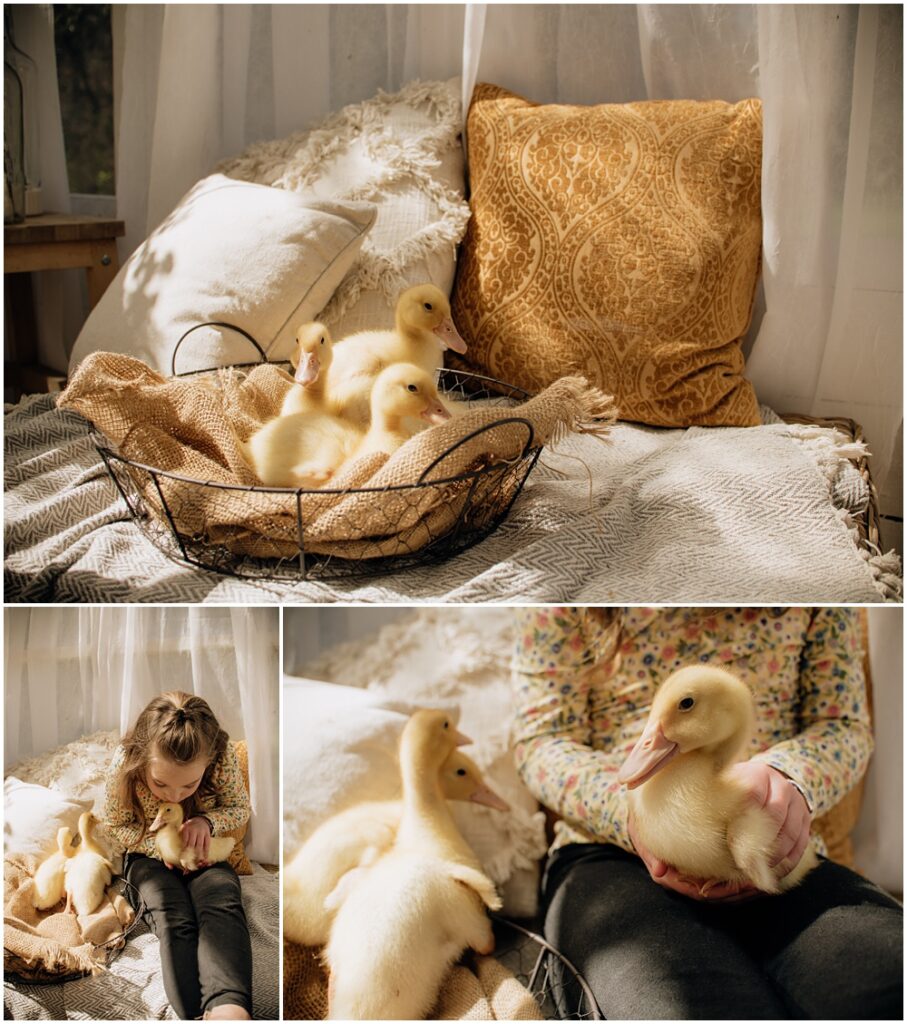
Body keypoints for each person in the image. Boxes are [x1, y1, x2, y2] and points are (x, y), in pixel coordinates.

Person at [512, 607, 902, 1020]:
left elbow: (841, 723)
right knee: (685, 1009)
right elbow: (542, 740)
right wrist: (627, 811)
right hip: (608, 850)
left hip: (774, 843)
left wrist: (786, 780)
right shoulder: (561, 597)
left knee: (885, 983)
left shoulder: (822, 579)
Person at [103, 691, 252, 1020]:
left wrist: (206, 821)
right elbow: (113, 824)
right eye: (161, 783)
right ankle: (193, 1013)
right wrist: (159, 848)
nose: (174, 795)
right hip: (147, 858)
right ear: (142, 758)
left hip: (203, 854)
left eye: (189, 785)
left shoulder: (222, 756)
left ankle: (228, 1009)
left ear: (209, 762)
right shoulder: (124, 762)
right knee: (173, 913)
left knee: (221, 901)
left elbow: (240, 809)